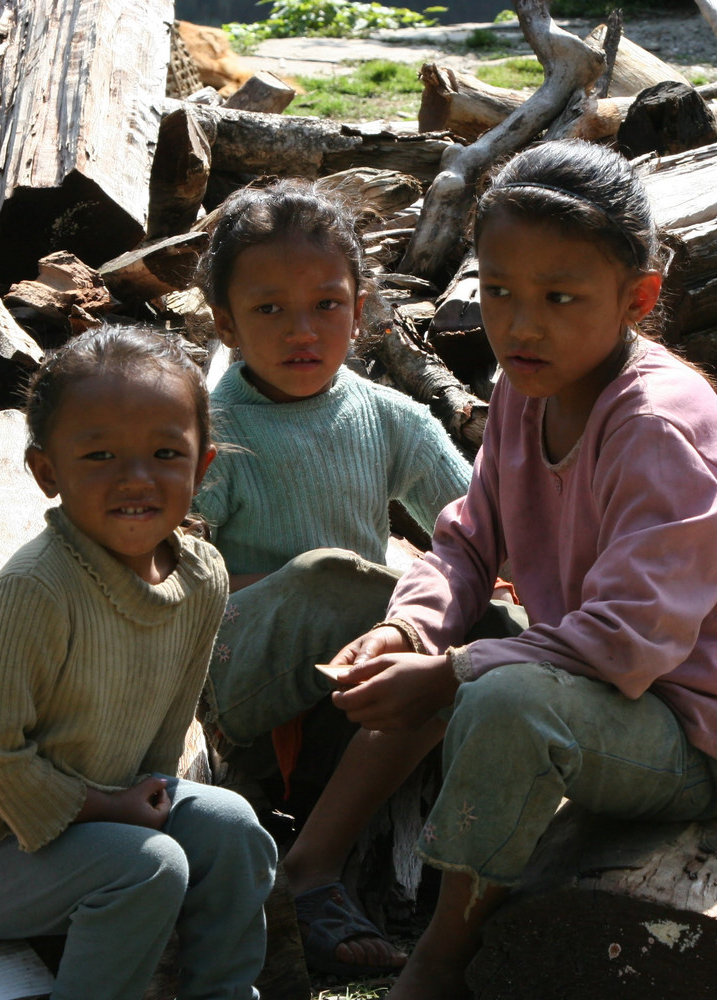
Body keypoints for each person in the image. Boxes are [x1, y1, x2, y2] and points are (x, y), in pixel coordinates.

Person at [326, 140, 717, 997]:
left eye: (559, 297)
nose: (520, 325)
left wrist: (453, 672)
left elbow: (628, 643)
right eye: (499, 291)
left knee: (499, 697)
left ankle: (442, 954)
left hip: (692, 730)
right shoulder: (526, 389)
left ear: (638, 299)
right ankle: (307, 871)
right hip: (591, 684)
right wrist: (409, 631)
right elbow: (468, 542)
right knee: (431, 644)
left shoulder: (658, 429)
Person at [0, 325, 277, 1000]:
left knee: (234, 829)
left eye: (166, 453)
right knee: (150, 866)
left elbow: (167, 726)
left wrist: (144, 798)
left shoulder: (201, 577)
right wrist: (112, 809)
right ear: (48, 472)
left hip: (104, 812)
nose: (136, 478)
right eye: (100, 455)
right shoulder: (33, 591)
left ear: (201, 467)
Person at [192, 179, 491, 977]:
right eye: (269, 309)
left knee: (479, 643)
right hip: (243, 686)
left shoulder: (389, 417)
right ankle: (312, 867)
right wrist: (290, 584)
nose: (302, 330)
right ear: (225, 323)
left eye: (326, 305)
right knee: (332, 579)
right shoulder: (211, 429)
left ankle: (320, 861)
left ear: (359, 311)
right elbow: (163, 569)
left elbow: (481, 531)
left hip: (359, 688)